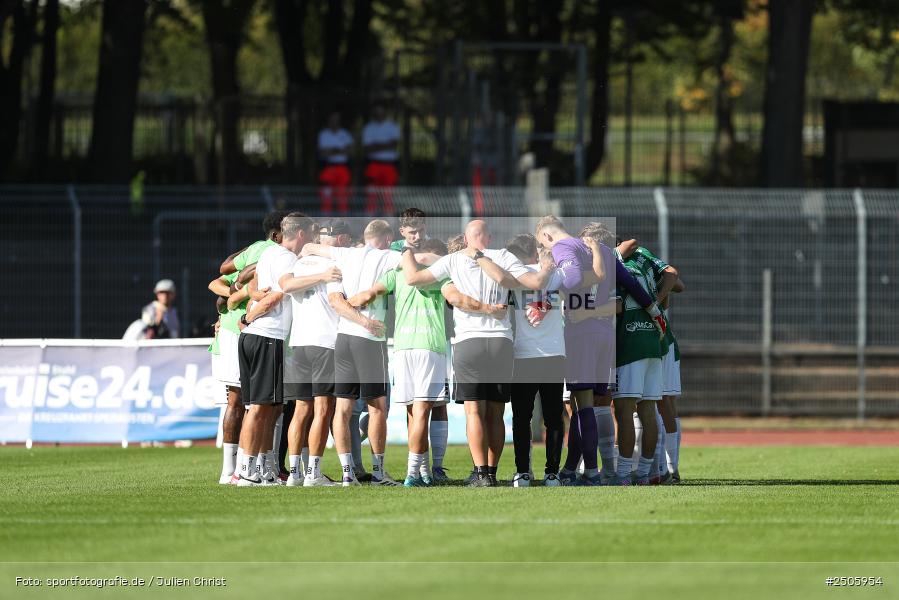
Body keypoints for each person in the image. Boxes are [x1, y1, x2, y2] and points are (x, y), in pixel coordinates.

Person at [401, 220, 553, 487]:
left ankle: (480, 473)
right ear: (489, 237)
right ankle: (492, 473)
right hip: (500, 342)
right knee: (496, 412)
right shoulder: (502, 256)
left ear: (466, 238)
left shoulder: (453, 259)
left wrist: (405, 251)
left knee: (474, 412)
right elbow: (531, 281)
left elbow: (412, 278)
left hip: (468, 342)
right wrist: (547, 265)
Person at [535, 216, 665, 486]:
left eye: (543, 244)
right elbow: (631, 284)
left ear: (546, 236)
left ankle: (592, 473)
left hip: (581, 334)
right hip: (606, 335)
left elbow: (571, 279)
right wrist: (654, 311)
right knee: (589, 405)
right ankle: (571, 470)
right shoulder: (604, 250)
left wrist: (545, 297)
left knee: (582, 406)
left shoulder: (563, 247)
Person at [302, 220, 404, 486]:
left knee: (343, 408)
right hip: (369, 338)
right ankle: (379, 473)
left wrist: (307, 251)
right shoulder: (388, 256)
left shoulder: (345, 254)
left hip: (343, 337)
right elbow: (417, 264)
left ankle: (348, 473)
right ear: (387, 238)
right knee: (377, 407)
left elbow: (310, 247)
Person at [347, 238, 451, 487]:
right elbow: (455, 296)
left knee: (413, 413)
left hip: (402, 347)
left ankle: (423, 471)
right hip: (429, 346)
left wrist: (346, 305)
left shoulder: (398, 273)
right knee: (423, 412)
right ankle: (412, 473)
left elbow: (370, 294)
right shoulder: (442, 274)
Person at [235, 213, 317, 486]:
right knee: (259, 408)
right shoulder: (286, 258)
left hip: (259, 336)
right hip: (267, 336)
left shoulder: (270, 253)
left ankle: (262, 467)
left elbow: (255, 283)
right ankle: (246, 471)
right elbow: (282, 291)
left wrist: (253, 301)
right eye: (311, 233)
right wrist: (252, 313)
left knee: (271, 407)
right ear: (301, 234)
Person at [282, 220, 349, 487]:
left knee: (301, 409)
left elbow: (287, 286)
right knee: (323, 410)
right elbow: (338, 302)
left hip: (300, 343)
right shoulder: (334, 265)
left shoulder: (299, 264)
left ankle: (294, 473)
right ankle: (313, 473)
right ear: (339, 239)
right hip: (325, 342)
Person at [503, 235, 567, 487]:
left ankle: (523, 473)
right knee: (552, 417)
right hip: (549, 354)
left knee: (522, 417)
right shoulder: (555, 273)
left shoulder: (517, 274)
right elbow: (575, 285)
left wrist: (546, 301)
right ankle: (551, 473)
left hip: (527, 355)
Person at [362, 102, 400, 215]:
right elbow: (367, 148)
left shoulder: (393, 127)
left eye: (381, 111)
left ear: (385, 112)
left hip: (389, 165)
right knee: (371, 194)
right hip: (373, 165)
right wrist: (386, 145)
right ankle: (369, 220)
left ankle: (389, 220)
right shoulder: (369, 127)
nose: (379, 114)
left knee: (388, 195)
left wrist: (376, 145)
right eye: (377, 112)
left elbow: (394, 145)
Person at [318, 111, 354, 215]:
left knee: (342, 197)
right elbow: (323, 153)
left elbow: (350, 151)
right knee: (326, 196)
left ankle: (343, 220)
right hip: (328, 168)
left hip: (342, 169)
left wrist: (331, 150)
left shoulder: (345, 134)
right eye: (332, 119)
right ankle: (325, 220)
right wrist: (340, 150)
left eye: (336, 119)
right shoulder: (323, 134)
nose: (334, 122)